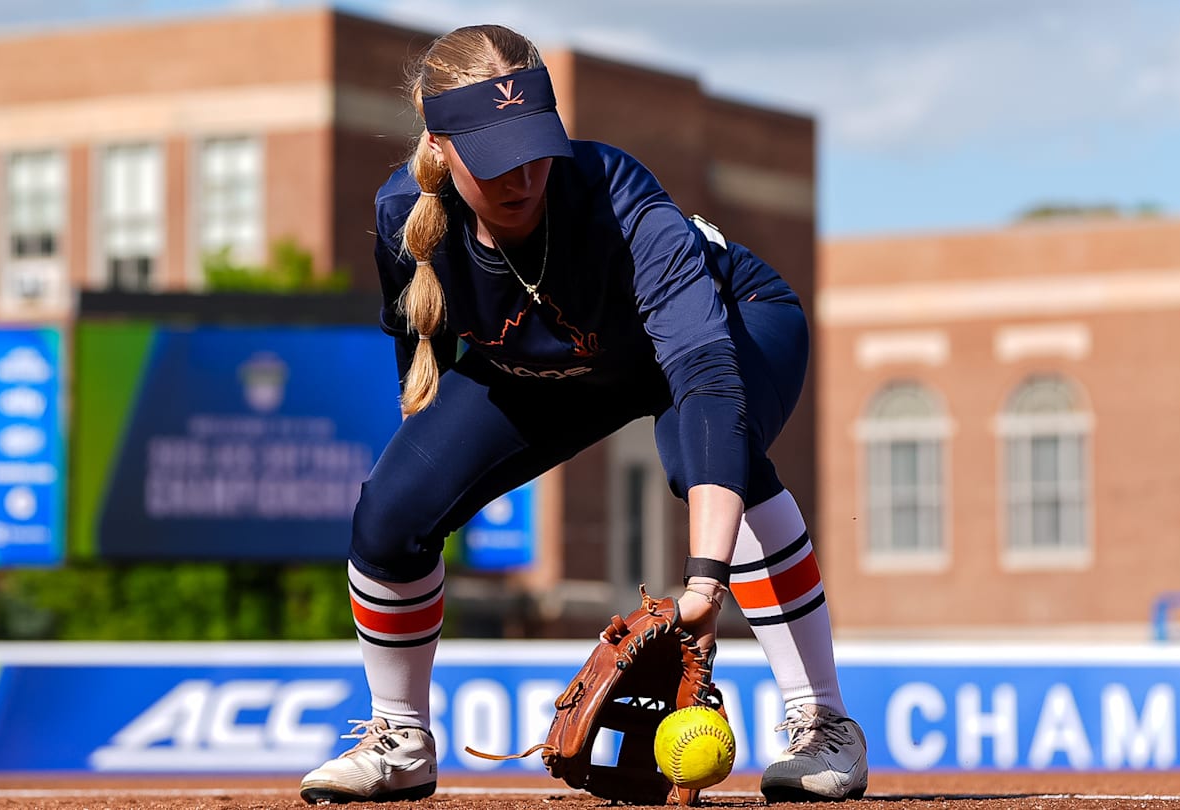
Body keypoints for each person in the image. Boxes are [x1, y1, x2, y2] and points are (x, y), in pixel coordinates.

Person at [298, 23, 868, 806]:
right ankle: (400, 741)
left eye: (535, 145)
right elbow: (417, 362)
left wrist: (705, 584)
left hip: (733, 326)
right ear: (440, 145)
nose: (524, 174)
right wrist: (424, 480)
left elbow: (703, 375)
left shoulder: (616, 196)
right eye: (496, 156)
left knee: (702, 453)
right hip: (554, 367)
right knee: (389, 516)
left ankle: (823, 727)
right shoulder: (406, 219)